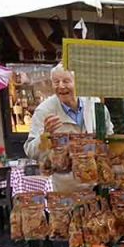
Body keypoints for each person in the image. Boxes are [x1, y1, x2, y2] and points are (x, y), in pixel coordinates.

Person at [24, 64, 113, 192]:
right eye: (56, 82)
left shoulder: (94, 104)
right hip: (66, 191)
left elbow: (109, 138)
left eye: (66, 81)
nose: (60, 86)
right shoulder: (44, 111)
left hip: (98, 186)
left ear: (78, 82)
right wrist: (46, 136)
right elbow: (30, 151)